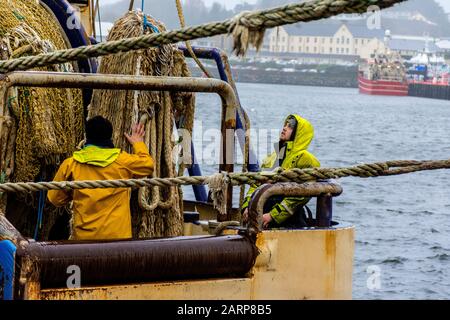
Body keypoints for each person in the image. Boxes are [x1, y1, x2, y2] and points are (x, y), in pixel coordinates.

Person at [47, 116, 154, 240]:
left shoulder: (71, 164)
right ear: (110, 136)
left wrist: (73, 192)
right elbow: (148, 165)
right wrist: (138, 143)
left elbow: (54, 198)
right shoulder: (123, 162)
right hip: (118, 239)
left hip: (84, 241)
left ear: (86, 136)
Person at [241, 114, 320, 229]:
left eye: (290, 126)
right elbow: (256, 183)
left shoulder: (306, 159)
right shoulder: (274, 156)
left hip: (289, 221)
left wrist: (272, 215)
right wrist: (247, 206)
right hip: (261, 215)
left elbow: (301, 195)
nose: (284, 128)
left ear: (299, 133)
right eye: (285, 125)